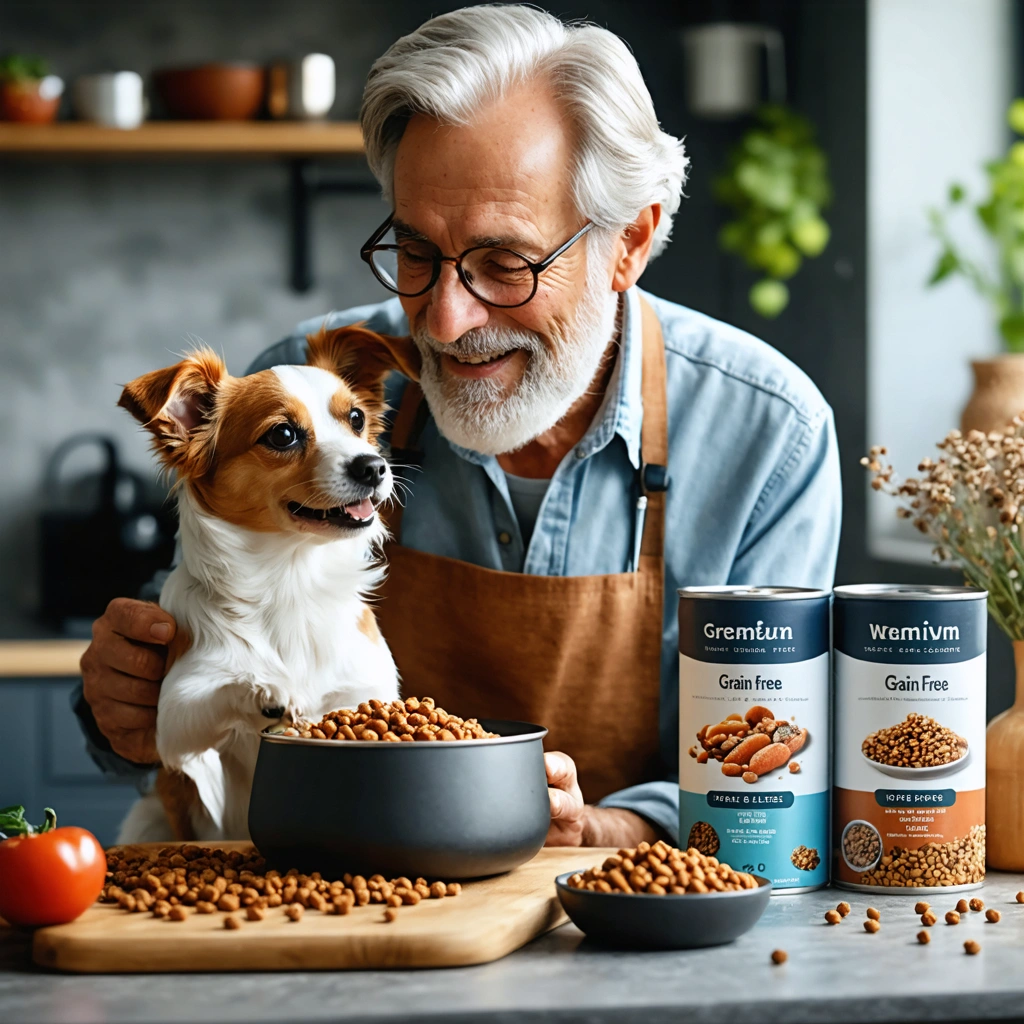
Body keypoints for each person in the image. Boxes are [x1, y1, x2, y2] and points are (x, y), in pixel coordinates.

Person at [76, 5, 840, 847]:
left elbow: (766, 770)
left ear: (629, 243)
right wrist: (118, 698)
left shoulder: (771, 435)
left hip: (627, 929)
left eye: (503, 264)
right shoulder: (313, 382)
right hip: (339, 910)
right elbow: (178, 691)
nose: (442, 321)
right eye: (415, 253)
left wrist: (606, 828)